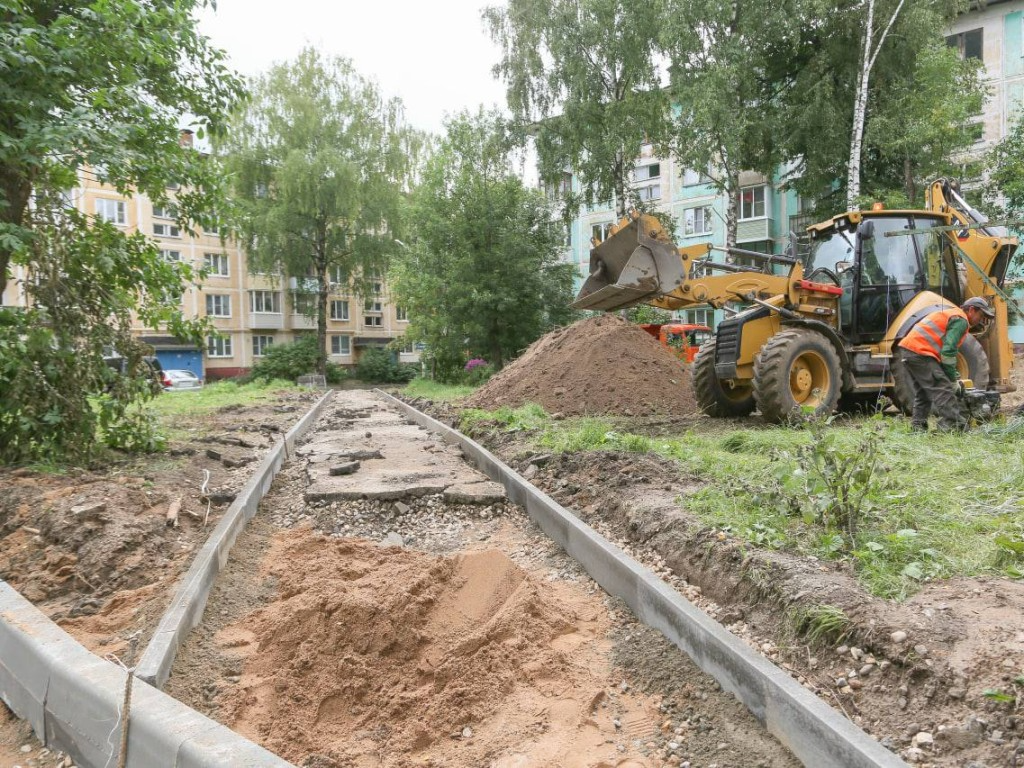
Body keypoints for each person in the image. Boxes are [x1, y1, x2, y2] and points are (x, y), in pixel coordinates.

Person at [897, 297, 995, 432]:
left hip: (909, 351)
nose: (982, 320)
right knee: (943, 389)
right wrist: (953, 381)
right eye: (981, 315)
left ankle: (918, 428)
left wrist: (953, 376)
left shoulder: (951, 314)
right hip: (920, 352)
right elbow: (948, 352)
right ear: (972, 310)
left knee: (923, 392)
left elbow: (944, 355)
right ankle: (952, 427)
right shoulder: (961, 320)